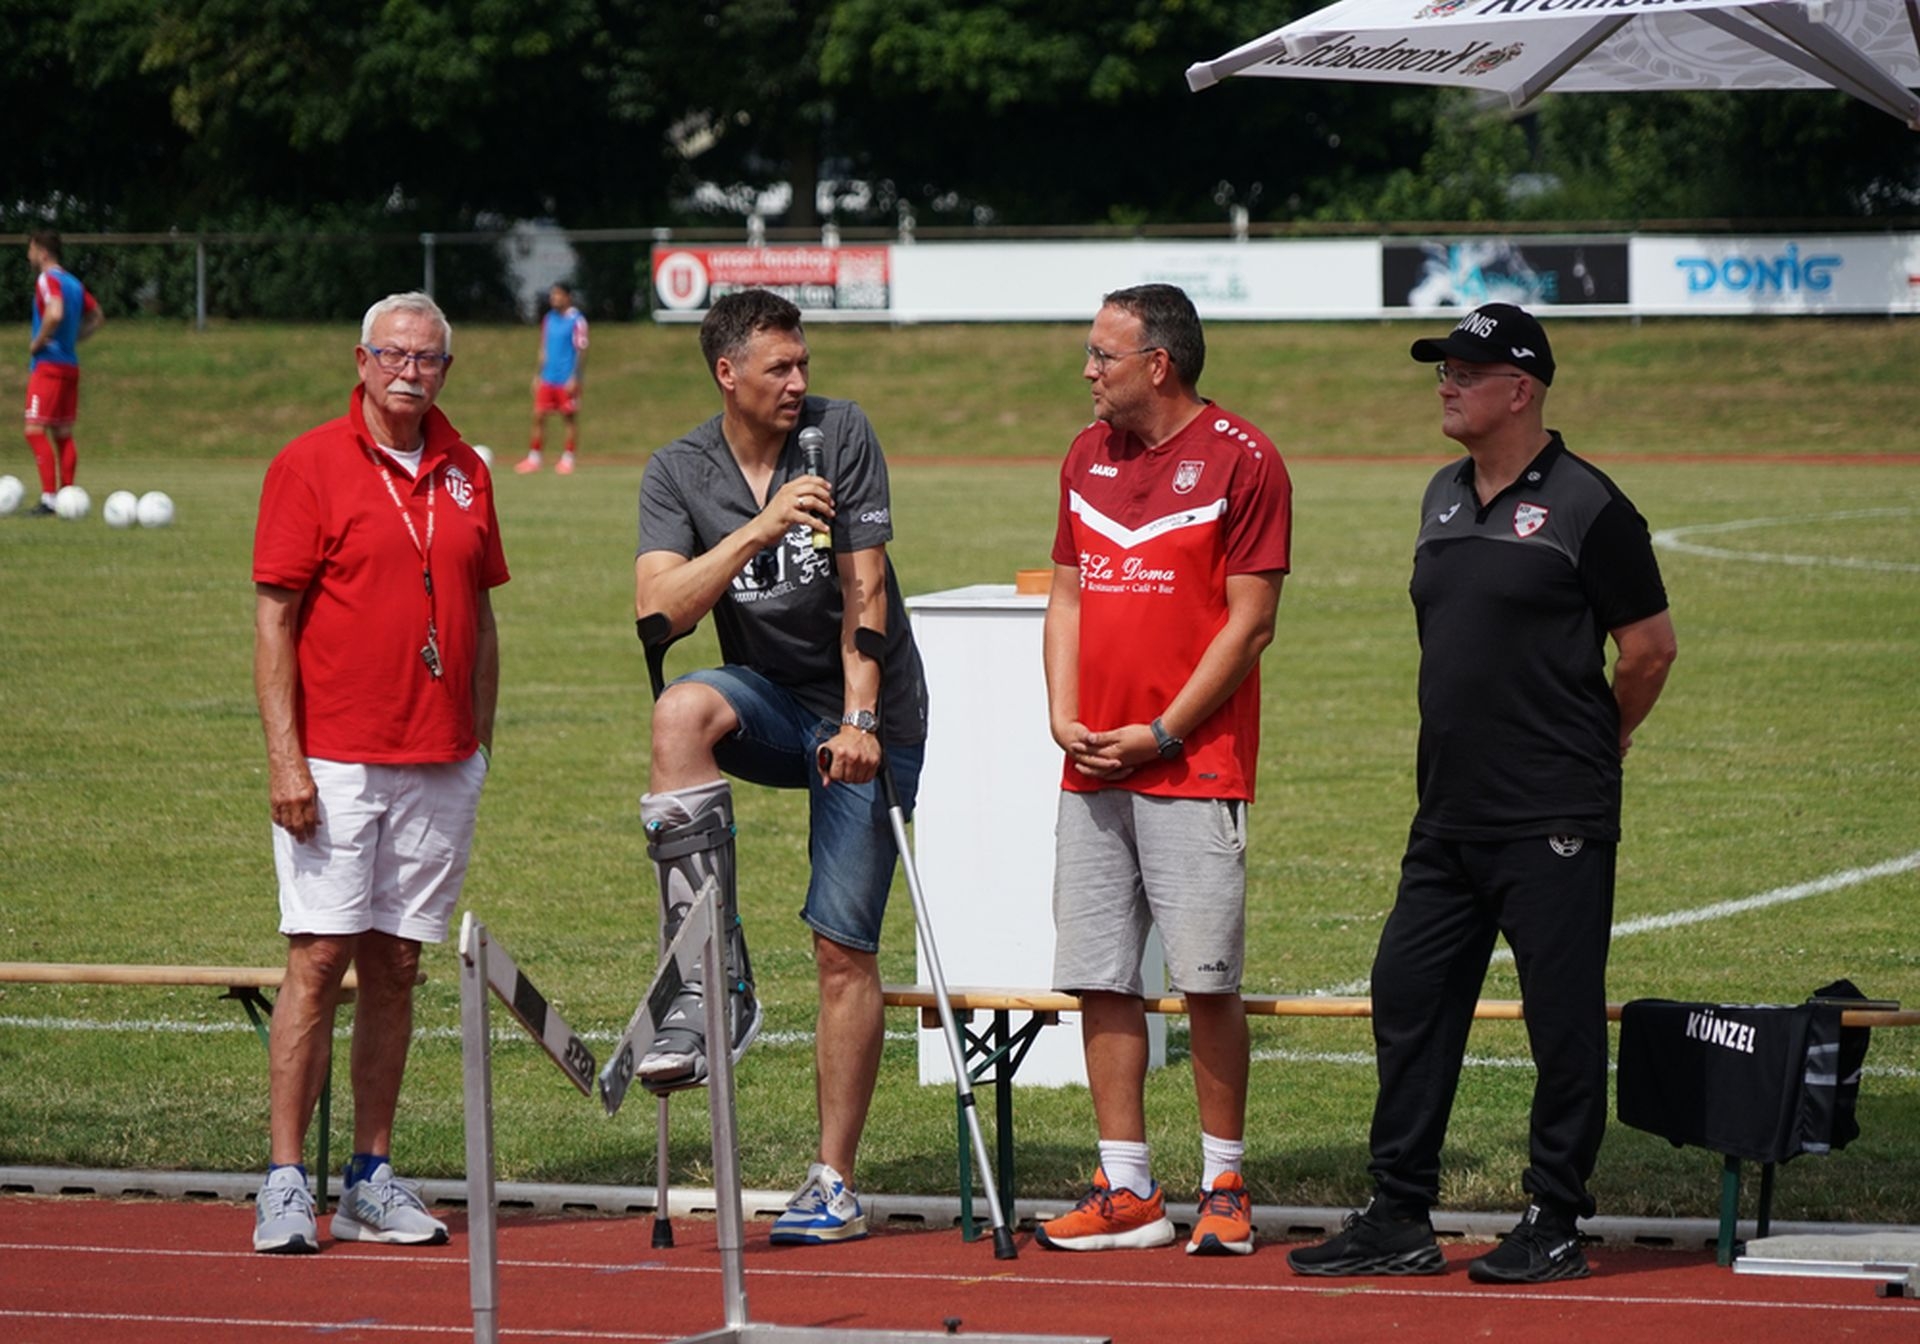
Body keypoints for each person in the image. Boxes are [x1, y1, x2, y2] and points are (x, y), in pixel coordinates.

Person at [1287, 303, 1677, 1284]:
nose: (1447, 385)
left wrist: (1604, 734)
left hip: (1552, 813)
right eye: (1442, 370)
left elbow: (1649, 648)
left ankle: (1555, 1219)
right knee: (1408, 995)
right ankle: (1399, 1214)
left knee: (1561, 1023)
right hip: (1447, 813)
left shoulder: (1591, 505)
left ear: (1521, 389)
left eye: (1465, 371)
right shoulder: (1441, 495)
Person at [634, 287, 929, 1246]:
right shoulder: (680, 469)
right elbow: (659, 614)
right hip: (769, 702)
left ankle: (833, 1180)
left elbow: (866, 590)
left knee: (842, 947)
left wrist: (860, 719)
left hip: (868, 711)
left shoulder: (839, 435)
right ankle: (711, 977)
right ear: (728, 374)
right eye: (780, 367)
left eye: (804, 363)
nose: (800, 380)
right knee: (680, 709)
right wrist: (758, 529)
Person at [1036, 284, 1292, 1258]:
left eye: (1102, 355)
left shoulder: (1245, 459)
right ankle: (1128, 1188)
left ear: (1159, 364)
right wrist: (1062, 715)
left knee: (1207, 982)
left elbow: (1251, 625)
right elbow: (1066, 598)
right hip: (1092, 765)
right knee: (1100, 978)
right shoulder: (1084, 455)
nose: (1087, 372)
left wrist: (1164, 733)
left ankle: (1225, 1183)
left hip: (1193, 764)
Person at [250, 291, 507, 1254]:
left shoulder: (468, 470)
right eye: (393, 354)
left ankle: (369, 1176)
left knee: (397, 965)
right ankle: (285, 1181)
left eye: (426, 357)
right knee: (319, 959)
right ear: (361, 362)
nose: (409, 370)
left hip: (441, 759)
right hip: (335, 760)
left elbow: (483, 613)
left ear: (446, 370)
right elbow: (274, 622)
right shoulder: (308, 463)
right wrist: (286, 760)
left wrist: (480, 745)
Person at [23, 231, 104, 515]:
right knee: (62, 432)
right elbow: (97, 316)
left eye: (31, 250)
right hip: (70, 365)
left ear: (42, 252)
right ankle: (69, 496)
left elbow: (54, 312)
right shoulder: (74, 283)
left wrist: (38, 342)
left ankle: (49, 499)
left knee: (34, 430)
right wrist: (74, 339)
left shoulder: (48, 279)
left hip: (48, 365)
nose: (29, 256)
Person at [517, 282, 588, 475]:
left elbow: (581, 350)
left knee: (569, 418)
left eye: (557, 294)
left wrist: (575, 377)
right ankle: (534, 457)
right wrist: (538, 375)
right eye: (552, 295)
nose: (553, 298)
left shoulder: (577, 320)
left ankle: (568, 458)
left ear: (567, 297)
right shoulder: (549, 319)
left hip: (566, 379)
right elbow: (544, 349)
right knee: (538, 416)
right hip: (548, 377)